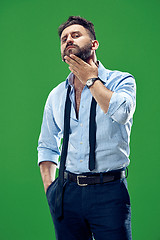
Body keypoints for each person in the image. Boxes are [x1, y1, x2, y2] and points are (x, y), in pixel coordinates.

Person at [37, 16, 136, 240]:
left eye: (75, 35)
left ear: (94, 44)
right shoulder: (56, 94)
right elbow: (47, 144)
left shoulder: (121, 81)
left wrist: (91, 80)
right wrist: (50, 189)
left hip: (109, 191)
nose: (68, 40)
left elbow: (121, 113)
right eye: (64, 39)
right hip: (66, 192)